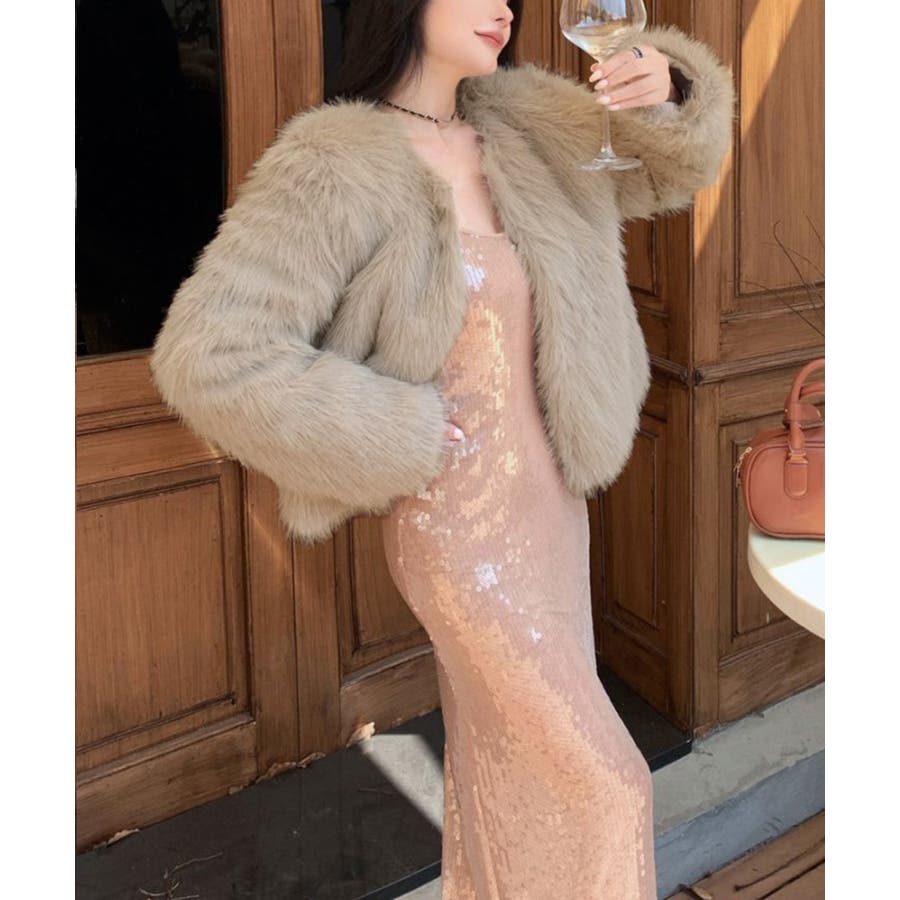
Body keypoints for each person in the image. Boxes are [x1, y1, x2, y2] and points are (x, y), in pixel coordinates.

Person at [150, 1, 735, 896]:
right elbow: (208, 354)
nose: (503, 5)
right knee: (607, 786)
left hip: (553, 515)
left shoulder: (527, 121)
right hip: (458, 535)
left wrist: (669, 87)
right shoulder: (337, 160)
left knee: (507, 774)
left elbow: (673, 172)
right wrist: (397, 431)